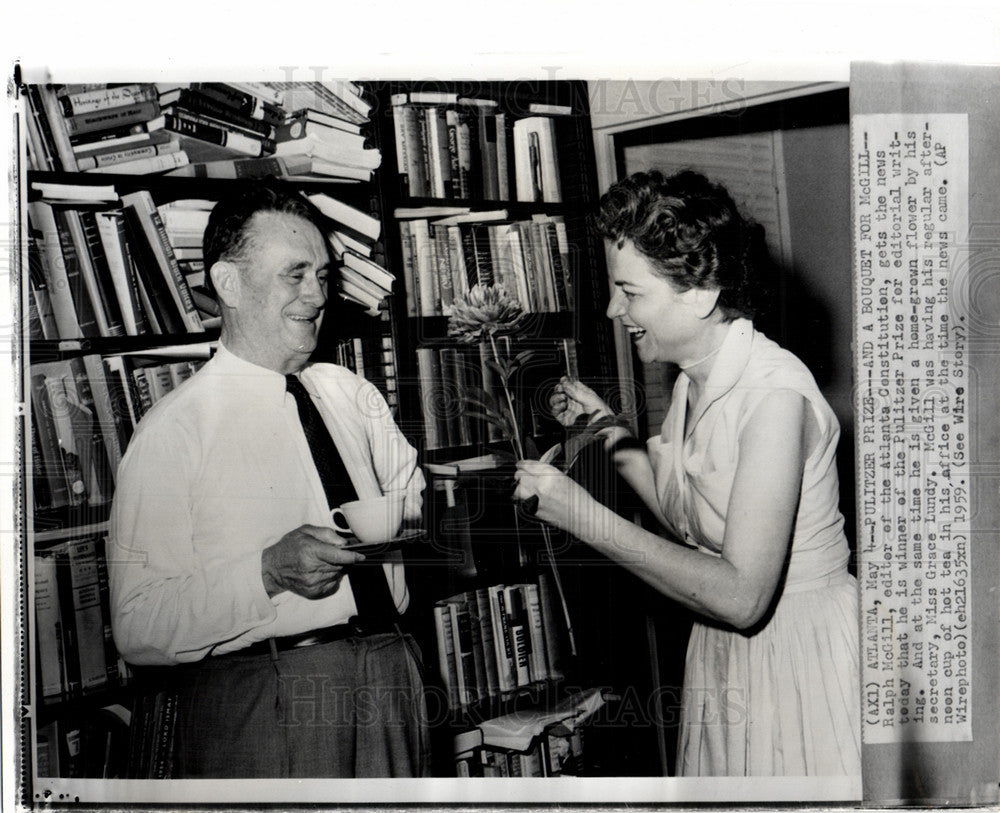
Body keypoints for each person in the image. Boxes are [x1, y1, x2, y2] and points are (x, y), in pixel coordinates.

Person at [514, 170, 861, 777]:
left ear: (699, 294)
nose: (613, 309)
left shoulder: (773, 396)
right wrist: (605, 431)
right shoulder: (694, 380)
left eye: (631, 292)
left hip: (798, 655)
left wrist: (584, 517)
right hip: (726, 653)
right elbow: (688, 518)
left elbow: (743, 596)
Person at [108, 181, 428, 778]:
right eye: (295, 274)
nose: (317, 294)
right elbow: (137, 626)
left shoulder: (352, 393)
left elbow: (413, 499)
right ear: (228, 284)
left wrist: (410, 518)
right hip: (269, 695)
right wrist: (266, 571)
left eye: (324, 276)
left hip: (391, 670)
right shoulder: (174, 432)